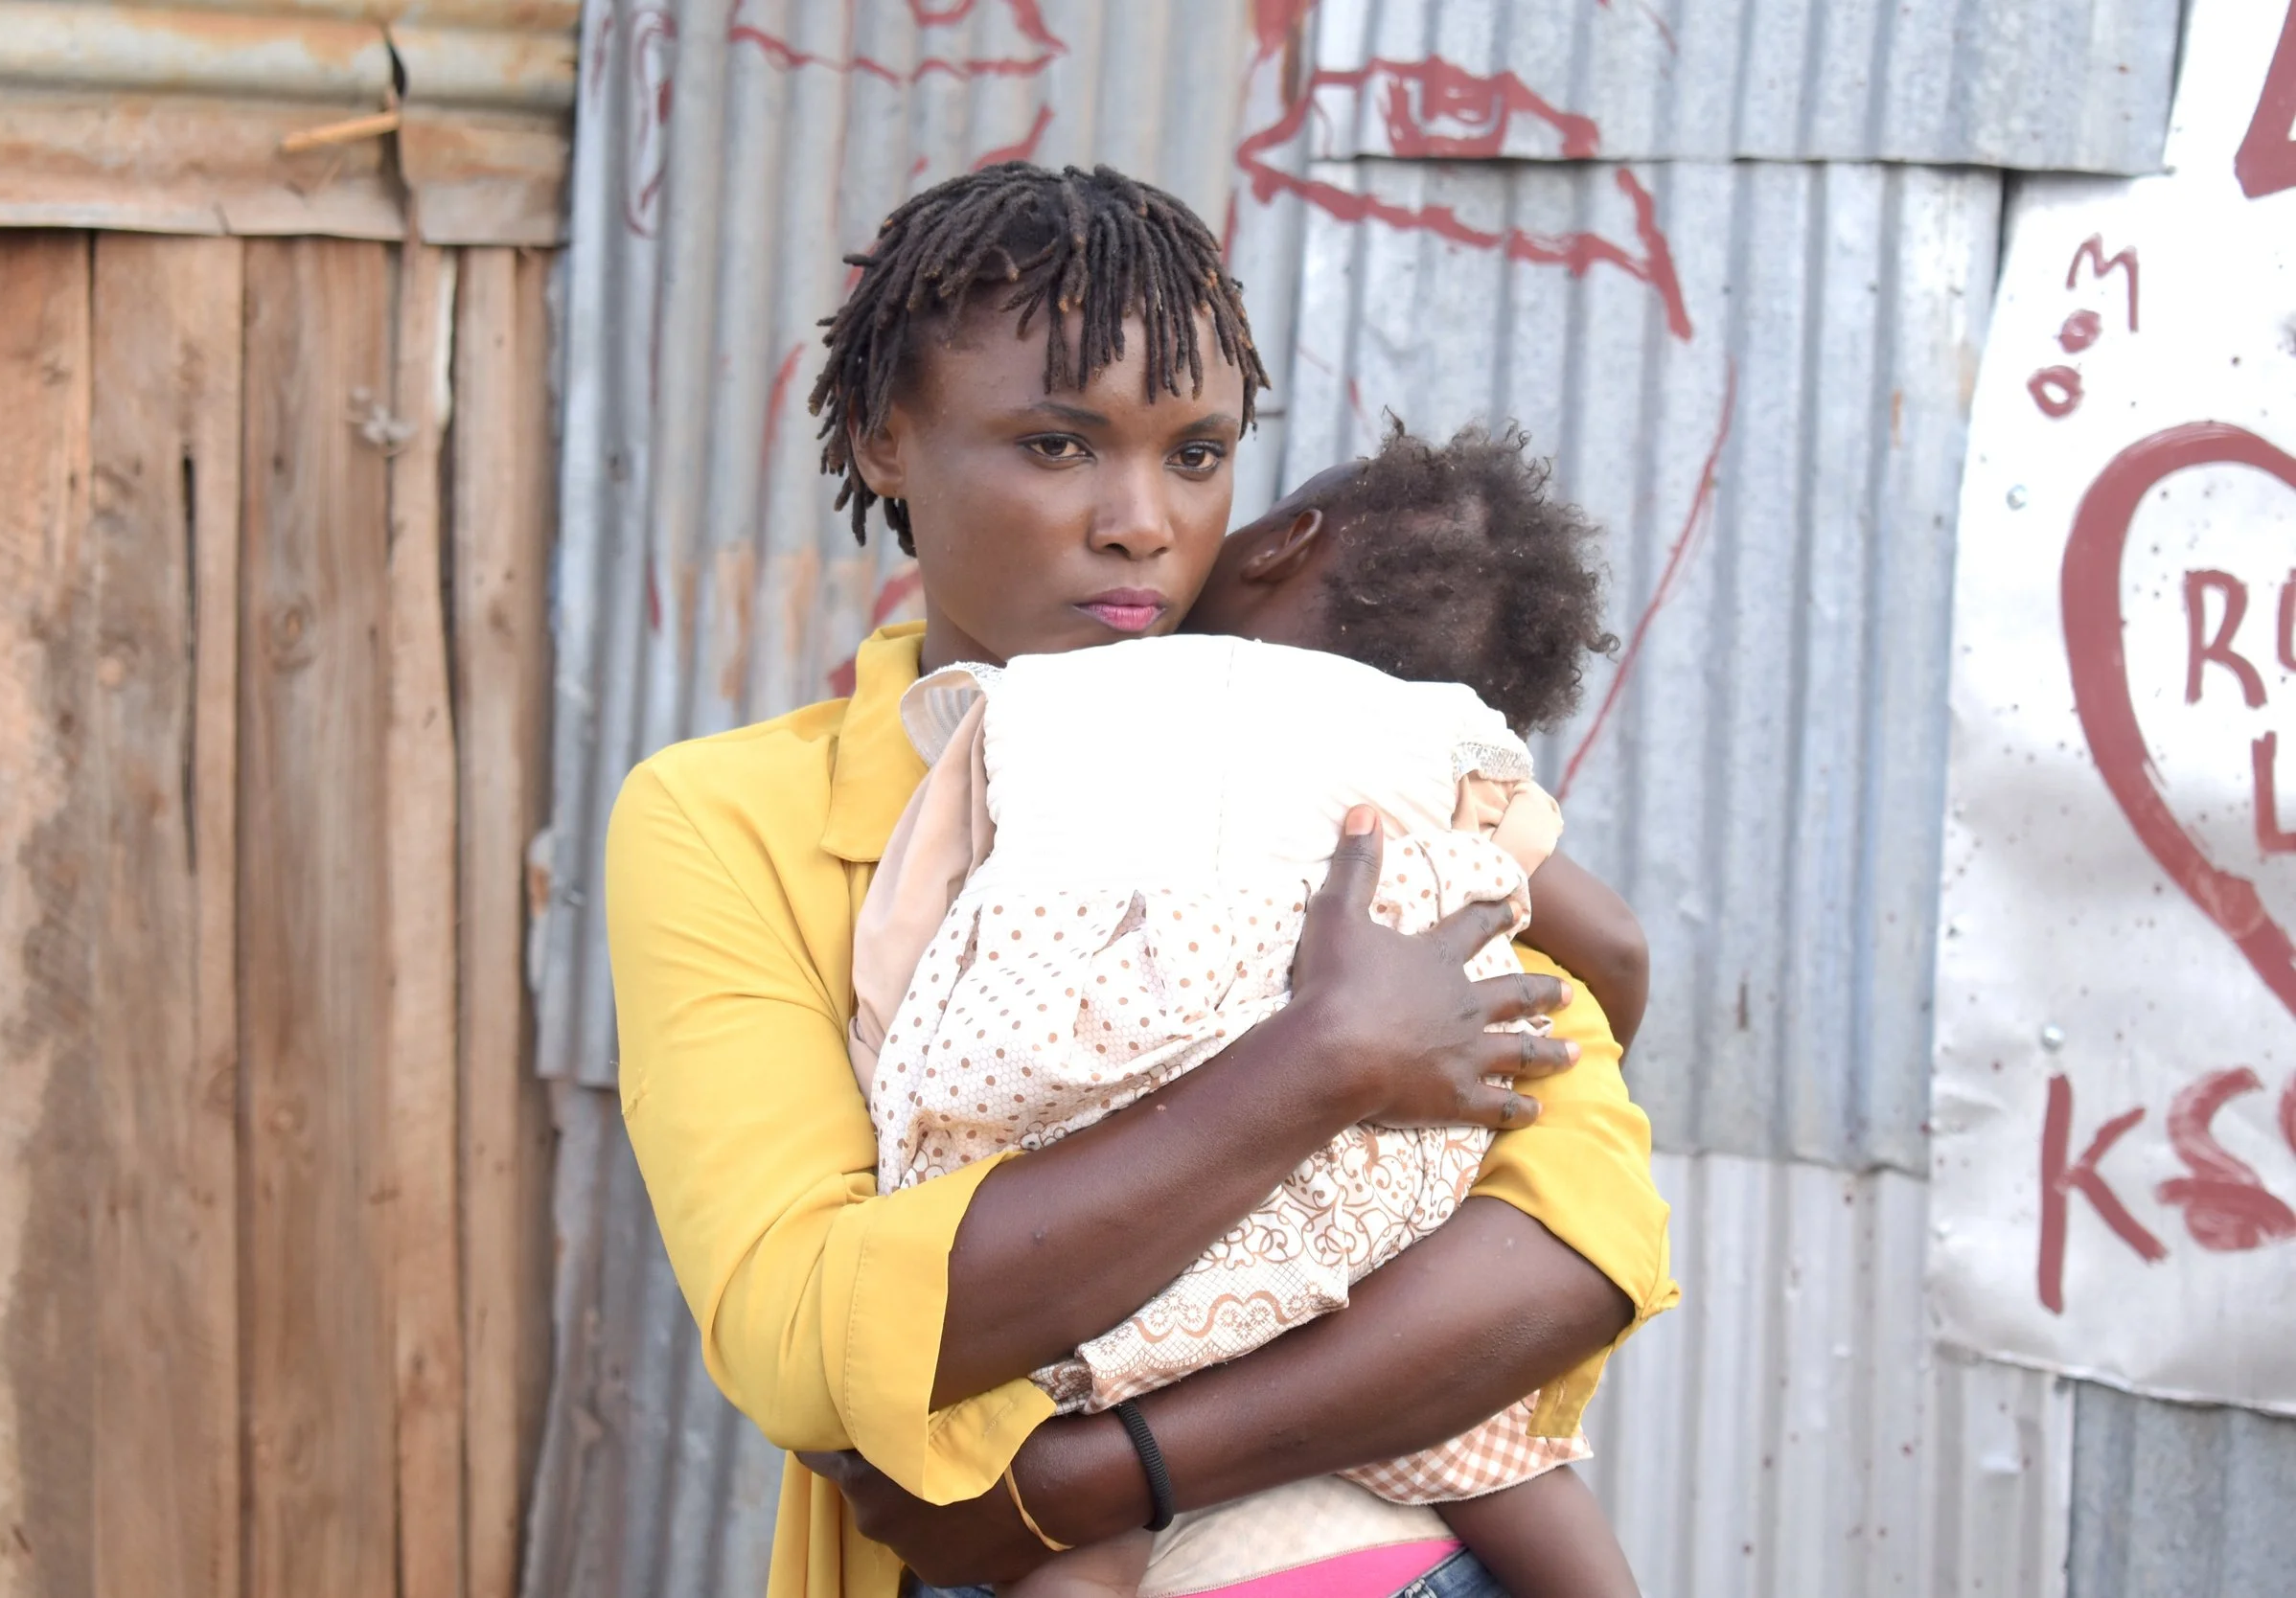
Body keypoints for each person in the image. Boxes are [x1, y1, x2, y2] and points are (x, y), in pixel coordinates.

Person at [606, 164, 1676, 1598]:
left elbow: (1578, 1240)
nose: (1143, 523)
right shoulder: (733, 819)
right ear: (883, 438)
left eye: (1196, 454)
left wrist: (1106, 1479)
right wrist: (1321, 1063)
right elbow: (809, 1335)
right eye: (1057, 447)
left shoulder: (1345, 773)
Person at [844, 423, 1645, 1598]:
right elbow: (1616, 945)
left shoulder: (1063, 699)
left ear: (1284, 540)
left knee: (1068, 1523)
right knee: (1509, 1463)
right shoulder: (1430, 749)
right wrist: (1554, 1039)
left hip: (1103, 1209)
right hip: (1354, 1238)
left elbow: (921, 903)